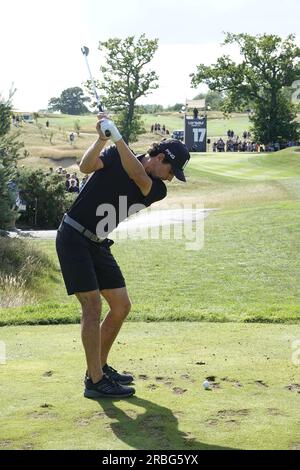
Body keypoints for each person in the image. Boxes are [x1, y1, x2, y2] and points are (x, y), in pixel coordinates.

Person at [56, 114, 190, 399]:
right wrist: (102, 139)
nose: (170, 178)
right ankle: (95, 381)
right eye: (171, 170)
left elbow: (138, 175)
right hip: (73, 237)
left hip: (98, 244)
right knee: (92, 307)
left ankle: (100, 368)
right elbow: (85, 166)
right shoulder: (116, 154)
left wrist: (117, 137)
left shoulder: (157, 189)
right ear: (161, 158)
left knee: (120, 305)